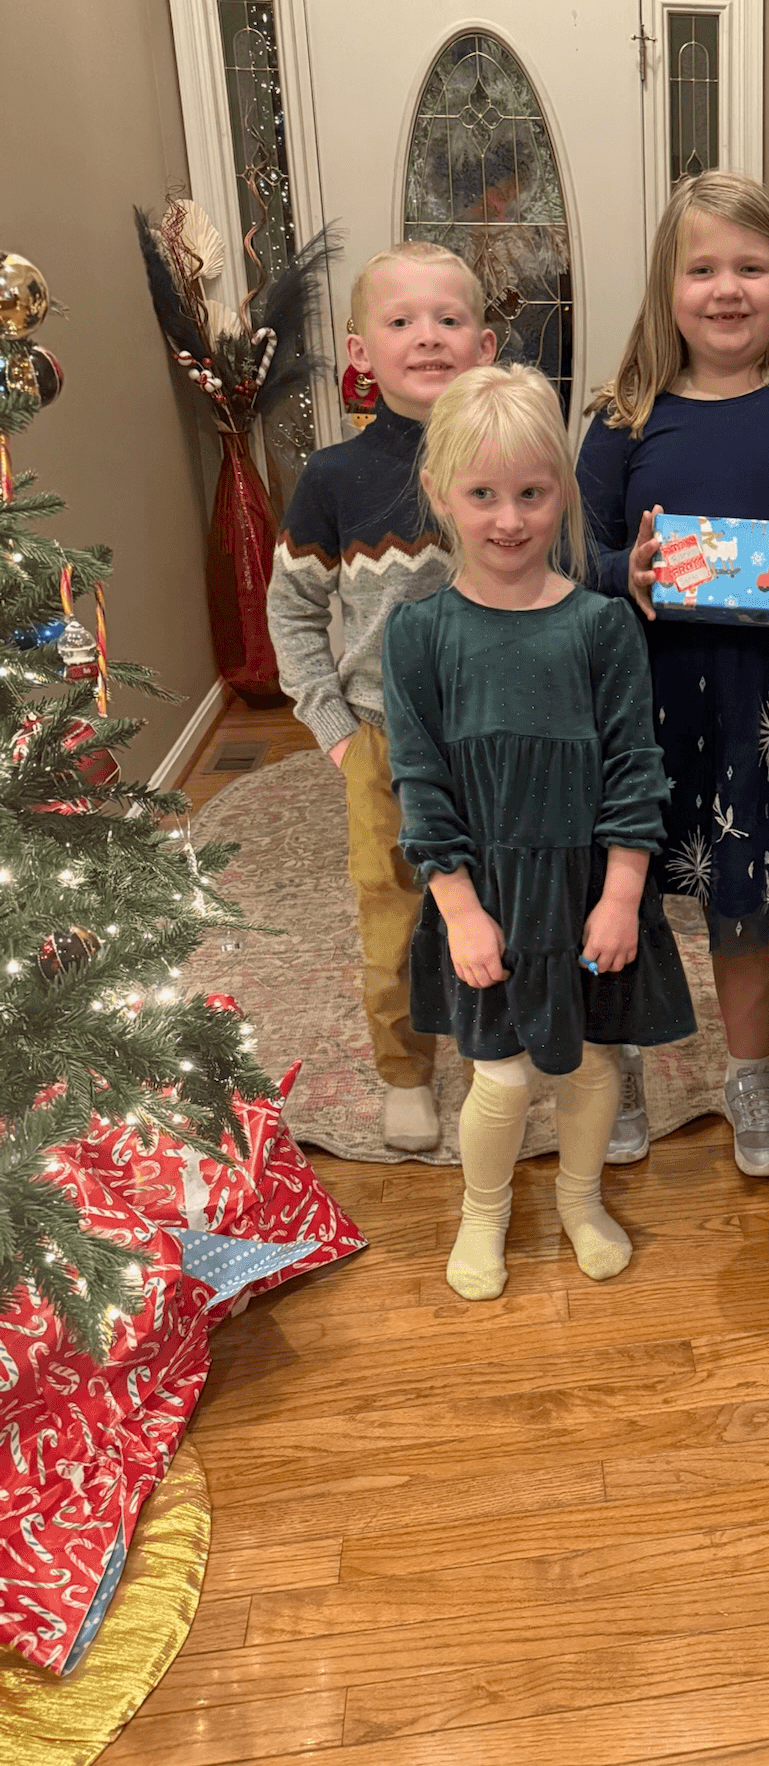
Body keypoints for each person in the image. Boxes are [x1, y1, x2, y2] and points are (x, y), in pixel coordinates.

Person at [578, 173, 769, 1177]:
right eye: (702, 268)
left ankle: (750, 1071)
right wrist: (617, 571)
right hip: (642, 698)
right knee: (617, 890)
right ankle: (616, 1062)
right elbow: (564, 550)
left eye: (750, 268)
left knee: (746, 894)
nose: (727, 289)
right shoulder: (625, 413)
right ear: (667, 288)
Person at [381, 364, 695, 1299]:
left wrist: (624, 894)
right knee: (504, 1077)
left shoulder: (602, 626)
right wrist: (461, 910)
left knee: (596, 1063)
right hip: (488, 894)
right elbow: (421, 782)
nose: (508, 520)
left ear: (563, 492)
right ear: (441, 494)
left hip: (589, 890)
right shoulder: (420, 634)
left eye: (531, 493)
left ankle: (580, 1195)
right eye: (482, 496)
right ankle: (485, 1212)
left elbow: (638, 765)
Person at [267, 241, 496, 1153]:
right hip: (382, 738)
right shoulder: (333, 479)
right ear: (362, 351)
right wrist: (329, 724)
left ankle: (493, 1049)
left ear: (482, 344)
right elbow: (293, 611)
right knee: (394, 910)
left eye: (448, 319)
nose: (427, 337)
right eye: (401, 321)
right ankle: (405, 1068)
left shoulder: (509, 455)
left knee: (499, 899)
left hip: (498, 736)